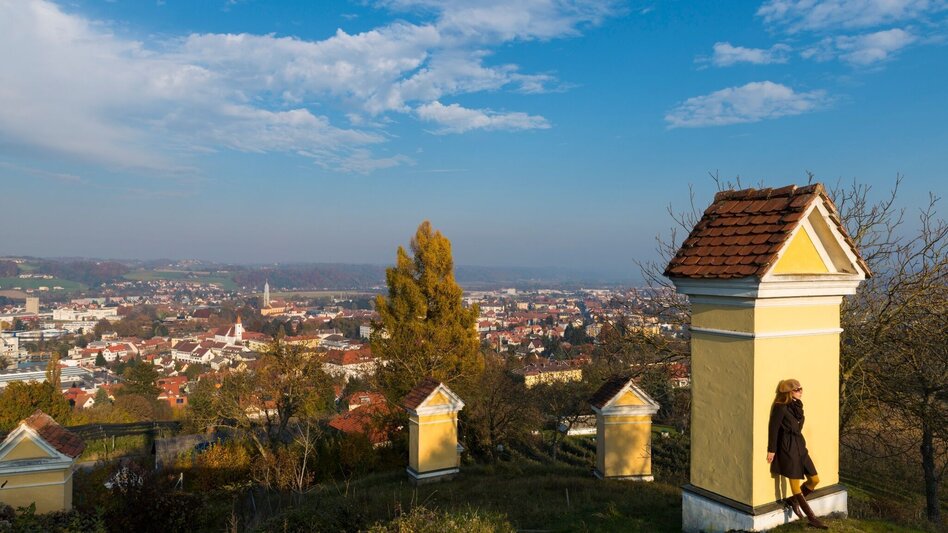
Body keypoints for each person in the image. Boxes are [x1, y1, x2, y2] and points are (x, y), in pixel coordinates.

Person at [767, 378, 828, 530]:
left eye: (801, 389)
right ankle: (812, 518)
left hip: (800, 445)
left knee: (814, 479)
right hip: (788, 448)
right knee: (795, 485)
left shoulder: (797, 405)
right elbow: (773, 429)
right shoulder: (780, 407)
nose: (801, 391)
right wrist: (771, 450)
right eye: (797, 389)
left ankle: (793, 501)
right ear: (789, 392)